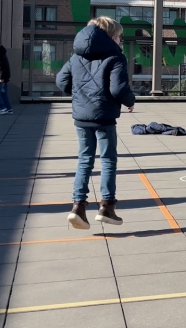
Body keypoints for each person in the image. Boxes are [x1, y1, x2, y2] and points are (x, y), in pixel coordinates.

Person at [56, 17, 136, 229]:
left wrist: (78, 96)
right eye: (119, 37)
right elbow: (118, 89)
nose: (120, 41)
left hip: (81, 118)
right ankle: (107, 206)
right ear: (111, 36)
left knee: (84, 160)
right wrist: (130, 101)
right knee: (108, 160)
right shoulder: (115, 56)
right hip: (104, 117)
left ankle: (78, 207)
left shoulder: (76, 56)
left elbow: (61, 81)